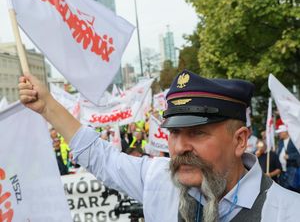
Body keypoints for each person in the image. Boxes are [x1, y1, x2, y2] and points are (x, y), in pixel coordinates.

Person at [18, 69, 300, 222]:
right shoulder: (159, 180)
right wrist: (48, 107)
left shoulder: (287, 212)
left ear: (240, 140)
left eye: (197, 133)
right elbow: (101, 158)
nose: (180, 147)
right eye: (174, 133)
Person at [276, 124, 300, 192]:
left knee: (292, 188)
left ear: (285, 132)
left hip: (293, 169)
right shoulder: (280, 142)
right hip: (282, 170)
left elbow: (298, 154)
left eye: (280, 132)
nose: (279, 134)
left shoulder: (294, 141)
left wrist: (289, 156)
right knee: (283, 188)